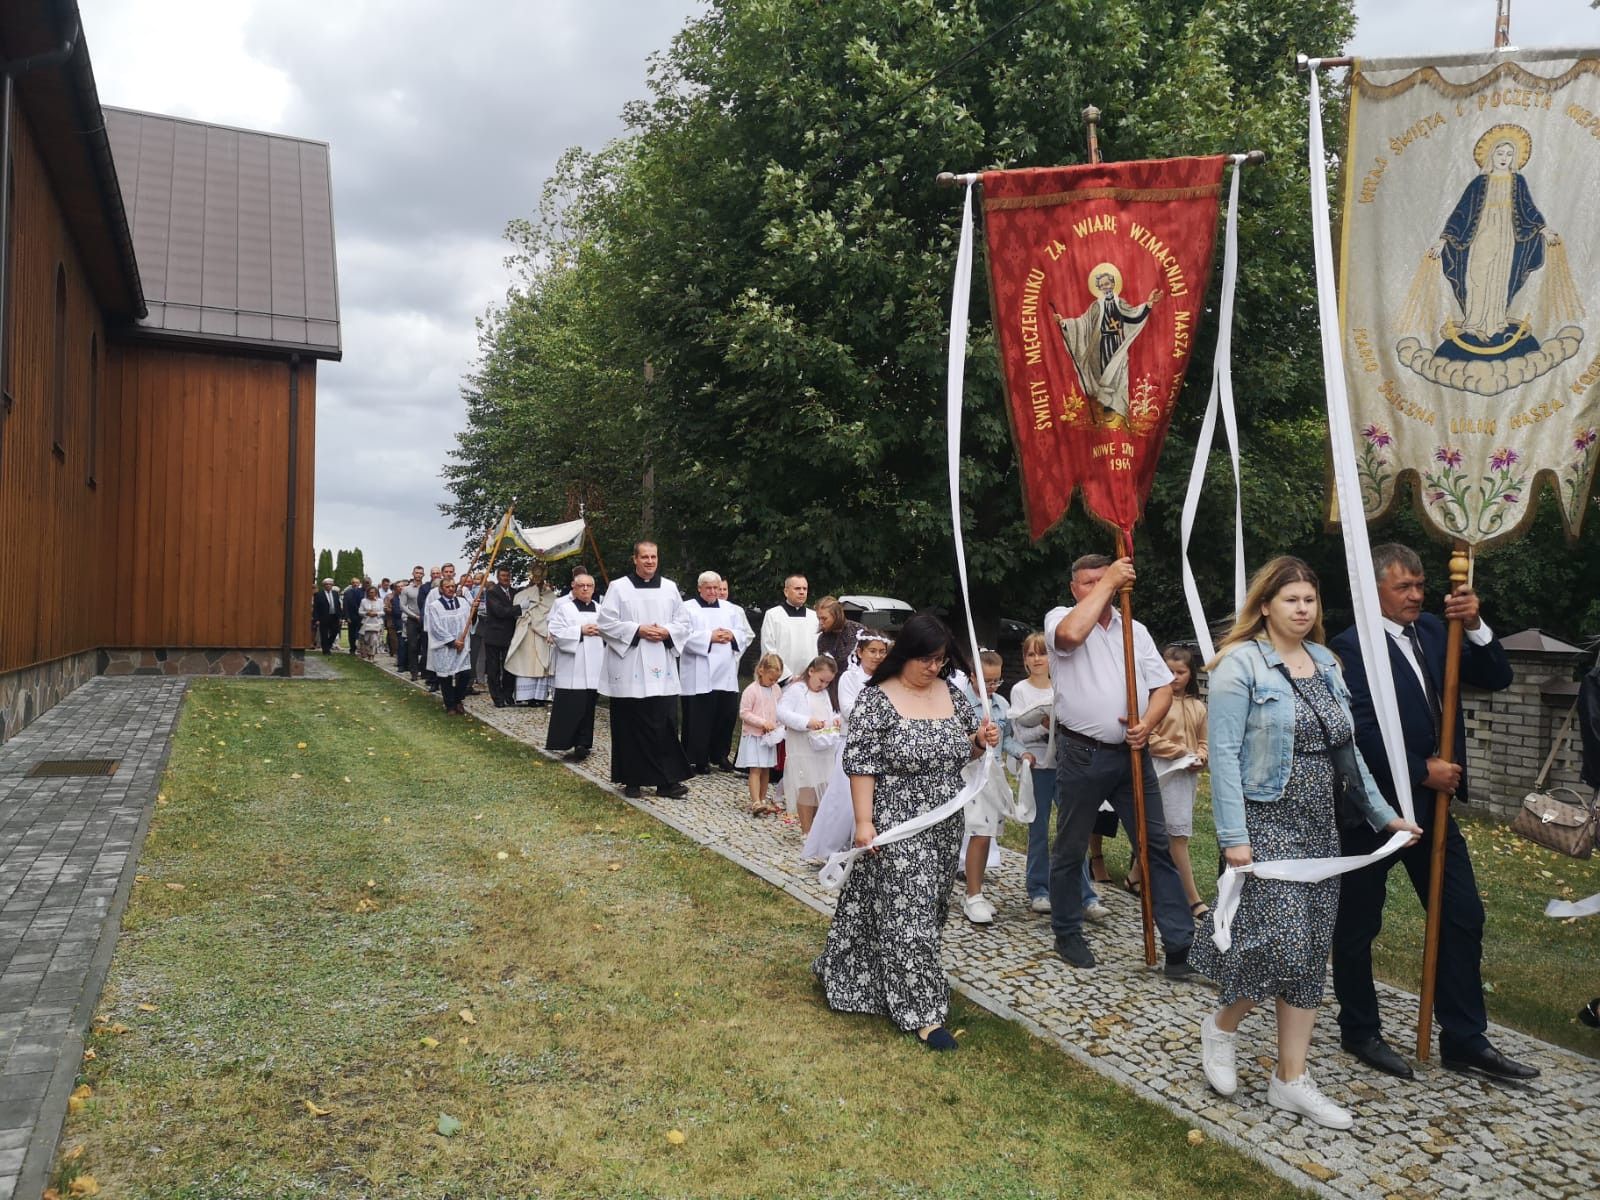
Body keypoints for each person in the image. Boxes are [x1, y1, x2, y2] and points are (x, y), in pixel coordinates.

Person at [1189, 556, 1419, 1130]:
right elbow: (1223, 756)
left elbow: (1349, 752)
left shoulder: (1326, 662)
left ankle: (1289, 1079)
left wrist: (1385, 817)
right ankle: (1221, 1027)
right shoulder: (1239, 665)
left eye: (1309, 600)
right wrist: (1234, 837)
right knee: (1280, 942)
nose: (1302, 609)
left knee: (1312, 948)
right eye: (1291, 599)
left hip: (1319, 823)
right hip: (1264, 819)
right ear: (1265, 605)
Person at [1329, 543, 1538, 1082]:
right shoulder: (1350, 647)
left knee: (1461, 915)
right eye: (1404, 586)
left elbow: (1497, 676)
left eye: (1421, 585)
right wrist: (1422, 768)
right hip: (1372, 812)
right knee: (1358, 923)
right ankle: (1360, 1029)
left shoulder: (1433, 632)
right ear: (1373, 589)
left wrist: (1475, 625)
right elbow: (1357, 729)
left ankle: (1464, 1038)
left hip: (1433, 810)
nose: (1417, 595)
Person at [812, 615, 1000, 1051]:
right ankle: (923, 1013)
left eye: (940, 660)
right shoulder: (876, 699)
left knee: (917, 907)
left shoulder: (951, 693)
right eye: (925, 659)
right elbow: (861, 764)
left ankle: (853, 973)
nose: (933, 668)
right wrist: (864, 823)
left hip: (944, 822)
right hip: (896, 821)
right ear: (906, 654)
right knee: (908, 915)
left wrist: (979, 741)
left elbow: (961, 751)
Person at [1044, 554, 1194, 977]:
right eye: (1088, 582)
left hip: (1132, 754)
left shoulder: (1134, 628)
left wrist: (1147, 724)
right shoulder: (1060, 617)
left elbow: (1161, 687)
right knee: (1072, 845)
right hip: (1082, 753)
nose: (1098, 586)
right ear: (1074, 589)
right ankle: (1067, 931)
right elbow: (1071, 636)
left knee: (1154, 845)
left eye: (1103, 578)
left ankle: (1179, 946)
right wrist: (1111, 580)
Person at [1009, 632, 1108, 922]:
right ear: (1025, 660)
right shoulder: (1020, 690)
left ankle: (1085, 895)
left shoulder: (1064, 686)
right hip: (1039, 767)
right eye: (1031, 654)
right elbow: (1021, 734)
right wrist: (1044, 726)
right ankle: (1039, 889)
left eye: (1042, 653)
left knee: (1073, 830)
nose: (1037, 659)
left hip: (1067, 767)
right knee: (1039, 829)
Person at [597, 541, 693, 800]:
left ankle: (666, 782)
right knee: (630, 724)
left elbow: (684, 622)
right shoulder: (619, 587)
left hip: (661, 664)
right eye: (645, 557)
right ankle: (632, 780)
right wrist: (637, 630)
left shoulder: (670, 587)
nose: (650, 561)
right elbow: (605, 623)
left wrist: (667, 631)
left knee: (664, 724)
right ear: (635, 559)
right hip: (630, 666)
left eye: (653, 557)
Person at [803, 628, 892, 860]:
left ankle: (862, 849)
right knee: (843, 797)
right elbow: (848, 710)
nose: (877, 656)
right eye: (872, 651)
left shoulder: (888, 680)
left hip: (878, 745)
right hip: (852, 742)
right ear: (860, 652)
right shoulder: (850, 678)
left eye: (882, 652)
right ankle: (830, 849)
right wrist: (878, 715)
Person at [1148, 644, 1210, 918]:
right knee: (1176, 835)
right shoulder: (1155, 701)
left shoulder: (1198, 706)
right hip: (1161, 768)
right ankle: (1192, 898)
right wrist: (1179, 752)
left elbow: (1204, 740)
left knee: (1167, 830)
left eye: (1180, 672)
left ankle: (1136, 877)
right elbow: (1148, 736)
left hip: (1186, 775)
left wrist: (1200, 756)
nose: (1174, 677)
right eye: (1169, 671)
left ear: (1190, 674)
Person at [679, 571, 751, 774]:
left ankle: (720, 755)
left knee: (725, 715)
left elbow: (743, 633)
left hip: (725, 672)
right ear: (699, 588)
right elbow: (682, 635)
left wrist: (732, 635)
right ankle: (697, 758)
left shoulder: (730, 609)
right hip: (698, 671)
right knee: (699, 718)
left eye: (716, 588)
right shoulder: (687, 608)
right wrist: (709, 637)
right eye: (708, 588)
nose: (713, 592)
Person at [959, 649, 1011, 925]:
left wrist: (1024, 754)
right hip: (970, 773)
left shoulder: (1001, 704)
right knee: (977, 832)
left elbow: (1008, 738)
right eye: (987, 681)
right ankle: (972, 895)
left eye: (997, 681)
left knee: (987, 833)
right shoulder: (961, 702)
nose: (992, 687)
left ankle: (975, 890)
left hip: (993, 774)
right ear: (972, 677)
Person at [777, 655, 841, 833]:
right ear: (811, 671)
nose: (823, 685)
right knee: (807, 787)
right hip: (803, 748)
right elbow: (781, 712)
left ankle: (816, 829)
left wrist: (835, 719)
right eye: (821, 680)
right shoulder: (796, 690)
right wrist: (806, 722)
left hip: (823, 747)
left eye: (828, 682)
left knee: (821, 785)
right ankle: (806, 830)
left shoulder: (824, 693)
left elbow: (828, 712)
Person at [546, 572, 603, 761]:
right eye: (581, 586)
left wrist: (602, 632)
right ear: (574, 588)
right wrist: (580, 631)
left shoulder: (601, 610)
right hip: (573, 666)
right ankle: (566, 740)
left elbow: (612, 632)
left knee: (588, 706)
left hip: (595, 664)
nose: (585, 589)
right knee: (572, 705)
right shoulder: (565, 609)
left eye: (589, 586)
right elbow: (555, 631)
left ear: (593, 589)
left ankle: (583, 743)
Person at [736, 653, 785, 815]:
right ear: (761, 671)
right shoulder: (751, 690)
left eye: (776, 680)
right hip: (754, 736)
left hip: (769, 738)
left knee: (766, 769)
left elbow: (779, 710)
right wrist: (762, 722)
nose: (774, 682)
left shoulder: (776, 690)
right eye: (771, 679)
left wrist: (778, 725)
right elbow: (744, 713)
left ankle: (763, 800)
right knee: (755, 769)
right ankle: (756, 801)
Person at [506, 566, 557, 706]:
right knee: (527, 664)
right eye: (536, 578)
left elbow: (555, 615)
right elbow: (517, 613)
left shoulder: (551, 596)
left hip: (544, 636)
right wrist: (527, 612)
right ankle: (527, 696)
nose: (538, 582)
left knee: (542, 665)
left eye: (540, 579)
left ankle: (541, 696)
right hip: (527, 634)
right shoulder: (522, 595)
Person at [424, 577, 473, 714]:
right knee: (445, 678)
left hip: (462, 646)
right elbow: (435, 627)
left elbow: (469, 621)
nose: (451, 589)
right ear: (441, 589)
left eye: (453, 586)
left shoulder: (463, 602)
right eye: (447, 587)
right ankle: (450, 705)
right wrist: (452, 642)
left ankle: (458, 699)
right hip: (444, 647)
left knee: (465, 674)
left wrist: (473, 610)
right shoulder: (435, 606)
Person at [760, 574, 819, 685]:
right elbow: (768, 648)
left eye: (805, 589)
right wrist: (787, 677)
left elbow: (818, 648)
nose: (802, 592)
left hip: (809, 679)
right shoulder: (773, 615)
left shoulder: (814, 617)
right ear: (786, 592)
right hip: (781, 680)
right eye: (797, 588)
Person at [479, 567, 519, 708]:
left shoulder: (514, 592)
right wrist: (519, 609)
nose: (506, 578)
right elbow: (500, 611)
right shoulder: (492, 592)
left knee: (509, 667)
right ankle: (497, 697)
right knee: (494, 668)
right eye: (503, 575)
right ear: (498, 577)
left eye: (508, 575)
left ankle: (507, 694)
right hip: (494, 635)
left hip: (510, 635)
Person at [814, 597, 866, 681]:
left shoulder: (858, 631)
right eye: (819, 618)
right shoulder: (822, 639)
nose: (820, 622)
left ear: (836, 616)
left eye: (824, 618)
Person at [400, 567, 425, 679]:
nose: (418, 575)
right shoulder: (406, 589)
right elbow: (402, 606)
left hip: (424, 619)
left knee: (425, 646)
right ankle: (413, 671)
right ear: (413, 574)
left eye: (420, 573)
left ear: (423, 575)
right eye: (417, 573)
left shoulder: (425, 588)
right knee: (412, 646)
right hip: (412, 619)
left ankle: (424, 671)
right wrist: (414, 616)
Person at [313, 578, 342, 655]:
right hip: (323, 617)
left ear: (332, 585)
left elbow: (338, 606)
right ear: (324, 586)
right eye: (326, 584)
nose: (328, 585)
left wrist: (340, 617)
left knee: (335, 632)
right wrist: (316, 619)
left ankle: (328, 645)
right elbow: (316, 608)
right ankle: (326, 651)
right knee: (324, 634)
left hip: (334, 616)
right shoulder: (319, 595)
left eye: (330, 584)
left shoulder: (335, 594)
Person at [358, 586, 386, 661]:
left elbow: (383, 612)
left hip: (377, 623)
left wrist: (376, 613)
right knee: (366, 639)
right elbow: (360, 612)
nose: (371, 594)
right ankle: (365, 653)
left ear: (376, 593)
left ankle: (372, 655)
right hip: (366, 623)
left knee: (374, 640)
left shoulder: (380, 601)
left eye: (373, 592)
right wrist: (367, 613)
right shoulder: (363, 601)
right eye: (370, 592)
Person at [342, 577, 365, 654]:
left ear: (359, 584)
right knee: (351, 634)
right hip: (352, 616)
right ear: (351, 584)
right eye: (354, 583)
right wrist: (347, 616)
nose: (355, 584)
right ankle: (352, 648)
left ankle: (361, 648)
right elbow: (345, 605)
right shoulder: (348, 593)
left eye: (357, 583)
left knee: (362, 633)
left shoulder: (362, 592)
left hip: (361, 616)